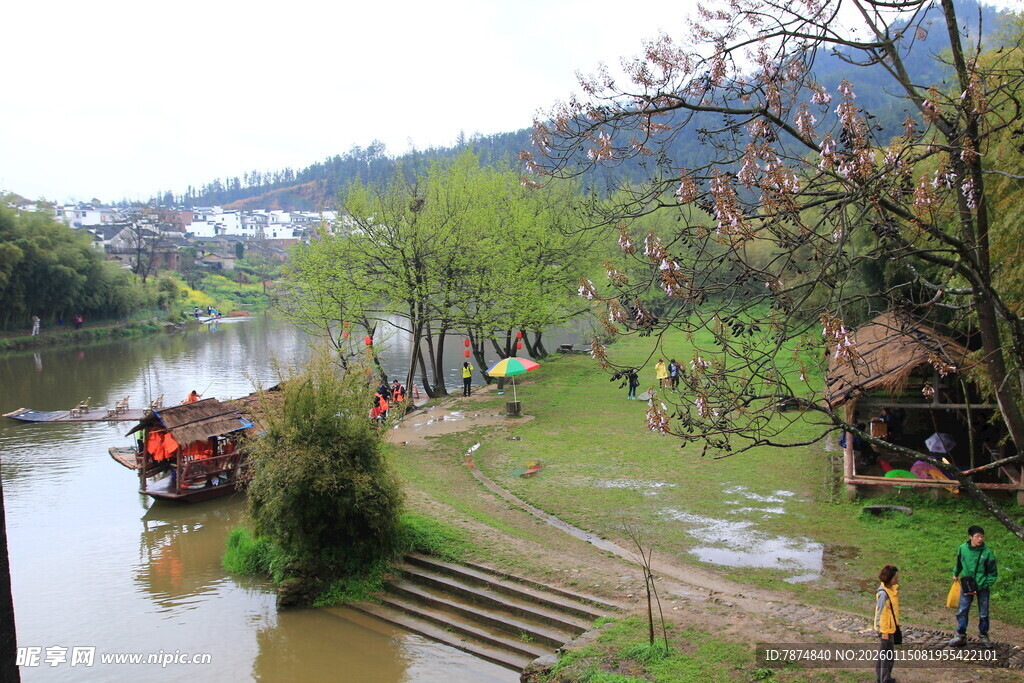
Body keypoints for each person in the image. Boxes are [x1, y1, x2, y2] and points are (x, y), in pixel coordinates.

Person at [948, 525, 997, 648]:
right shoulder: (963, 548)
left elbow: (992, 572)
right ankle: (960, 635)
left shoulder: (987, 552)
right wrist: (956, 573)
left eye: (982, 536)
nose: (980, 539)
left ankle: (983, 634)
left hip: (982, 586)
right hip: (967, 584)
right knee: (963, 610)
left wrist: (986, 583)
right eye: (977, 536)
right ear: (971, 537)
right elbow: (959, 562)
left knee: (983, 613)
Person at [873, 564, 900, 683]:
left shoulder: (891, 590)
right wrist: (884, 632)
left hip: (890, 628)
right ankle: (884, 679)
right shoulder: (884, 594)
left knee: (886, 656)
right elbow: (882, 614)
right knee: (886, 657)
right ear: (889, 579)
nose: (897, 580)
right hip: (886, 630)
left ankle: (883, 678)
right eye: (895, 578)